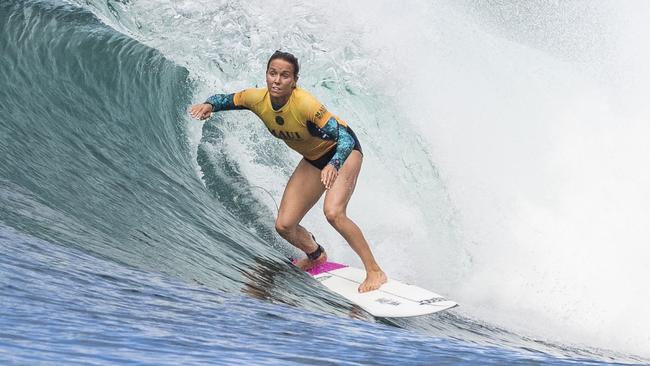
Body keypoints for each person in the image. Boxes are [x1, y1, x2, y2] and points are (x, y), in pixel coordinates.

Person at [189, 50, 387, 292]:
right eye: (273, 73)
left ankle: (375, 271)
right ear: (266, 75)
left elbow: (343, 137)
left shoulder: (305, 104)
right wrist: (208, 104)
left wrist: (333, 164)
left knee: (333, 213)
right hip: (314, 158)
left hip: (343, 153)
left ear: (294, 81)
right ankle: (316, 255)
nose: (277, 80)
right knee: (284, 225)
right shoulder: (256, 99)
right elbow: (226, 99)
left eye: (284, 75)